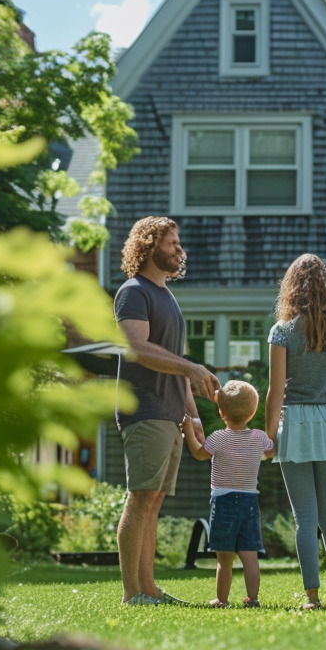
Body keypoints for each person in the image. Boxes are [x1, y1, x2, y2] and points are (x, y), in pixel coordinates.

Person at [114, 215, 219, 606]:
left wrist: (190, 413)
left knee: (153, 501)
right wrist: (191, 368)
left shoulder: (167, 297)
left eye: (179, 243)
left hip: (170, 413)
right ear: (148, 244)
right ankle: (131, 593)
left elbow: (172, 362)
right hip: (144, 411)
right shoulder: (134, 292)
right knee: (140, 497)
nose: (180, 249)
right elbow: (137, 348)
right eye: (172, 242)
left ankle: (149, 589)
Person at [265, 254, 326, 609]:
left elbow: (276, 391)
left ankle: (312, 596)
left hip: (297, 424)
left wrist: (269, 435)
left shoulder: (283, 331)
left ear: (291, 288)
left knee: (305, 518)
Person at [182, 379, 274, 608]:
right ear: (252, 412)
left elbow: (199, 453)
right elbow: (270, 452)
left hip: (223, 501)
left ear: (221, 412)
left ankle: (222, 600)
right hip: (250, 500)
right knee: (250, 554)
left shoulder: (218, 438)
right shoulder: (259, 438)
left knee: (224, 557)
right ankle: (252, 599)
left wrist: (188, 432)